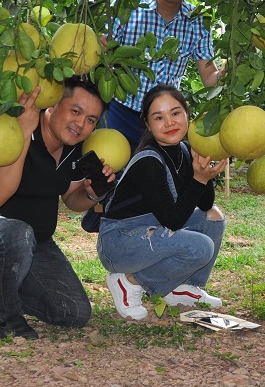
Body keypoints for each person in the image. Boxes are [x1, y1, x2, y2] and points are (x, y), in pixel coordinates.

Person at [0, 76, 111, 339]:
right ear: (52, 104)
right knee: (18, 232)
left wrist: (92, 194)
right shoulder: (15, 127)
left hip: (35, 243)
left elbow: (71, 198)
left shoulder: (75, 150)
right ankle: (6, 315)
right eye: (75, 111)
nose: (81, 124)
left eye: (91, 119)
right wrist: (23, 132)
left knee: (73, 313)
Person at [97, 84, 227, 320]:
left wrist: (203, 174)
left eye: (175, 113)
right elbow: (173, 220)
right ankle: (129, 282)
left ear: (187, 114)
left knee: (214, 217)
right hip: (119, 242)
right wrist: (198, 179)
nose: (169, 123)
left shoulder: (185, 151)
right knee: (201, 247)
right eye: (159, 117)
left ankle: (182, 286)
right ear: (147, 124)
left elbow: (206, 203)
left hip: (152, 230)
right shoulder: (149, 161)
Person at [104, 0, 221, 151]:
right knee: (111, 176)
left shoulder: (198, 21)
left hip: (165, 122)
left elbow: (210, 78)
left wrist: (230, 71)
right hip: (121, 113)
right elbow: (99, 53)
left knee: (158, 181)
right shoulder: (127, 7)